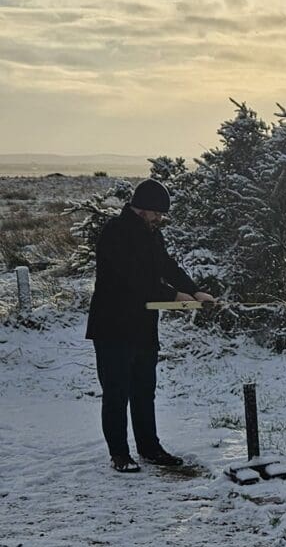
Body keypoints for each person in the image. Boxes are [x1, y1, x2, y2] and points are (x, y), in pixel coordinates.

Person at [85, 178, 215, 473]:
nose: (160, 218)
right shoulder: (115, 233)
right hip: (112, 326)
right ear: (142, 208)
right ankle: (119, 454)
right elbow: (132, 278)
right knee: (116, 391)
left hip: (143, 326)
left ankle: (150, 448)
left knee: (144, 390)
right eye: (157, 213)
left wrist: (194, 291)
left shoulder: (152, 235)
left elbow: (166, 266)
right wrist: (171, 295)